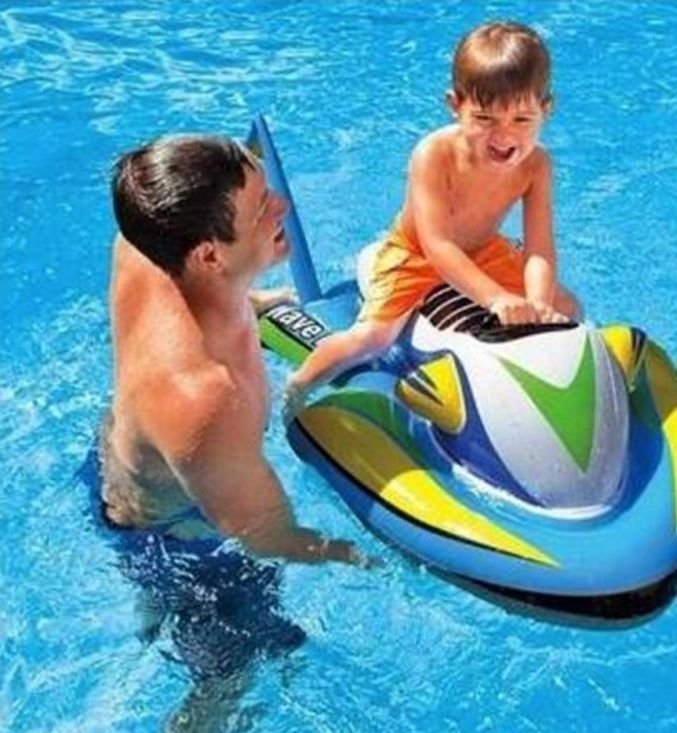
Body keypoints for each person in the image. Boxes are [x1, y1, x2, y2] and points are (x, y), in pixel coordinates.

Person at [285, 21, 579, 412]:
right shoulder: (434, 154)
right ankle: (296, 389)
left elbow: (539, 248)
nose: (504, 136)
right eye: (485, 119)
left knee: (568, 308)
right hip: (416, 254)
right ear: (455, 105)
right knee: (372, 339)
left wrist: (538, 306)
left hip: (484, 251)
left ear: (546, 110)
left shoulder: (538, 165)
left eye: (522, 120)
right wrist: (495, 298)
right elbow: (437, 245)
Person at [103, 133, 361, 565]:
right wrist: (359, 555)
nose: (283, 206)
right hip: (175, 536)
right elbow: (270, 538)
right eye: (262, 208)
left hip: (132, 450)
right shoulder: (210, 399)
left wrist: (249, 299)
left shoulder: (150, 235)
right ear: (209, 257)